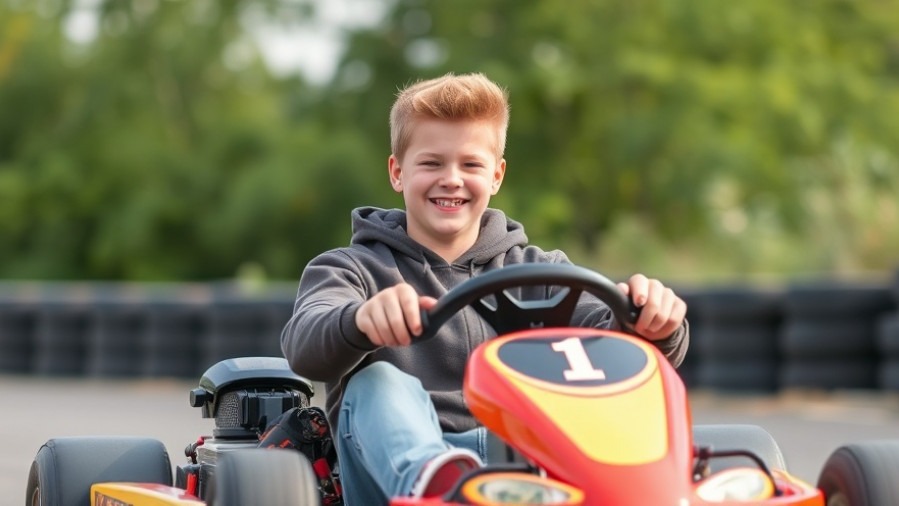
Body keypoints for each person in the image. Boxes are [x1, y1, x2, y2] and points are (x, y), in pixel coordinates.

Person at [281, 72, 689, 505]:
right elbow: (306, 345)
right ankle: (440, 488)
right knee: (377, 380)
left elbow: (616, 349)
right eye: (432, 163)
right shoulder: (351, 270)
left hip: (525, 471)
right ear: (397, 172)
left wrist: (650, 321)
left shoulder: (542, 274)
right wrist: (360, 320)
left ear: (496, 175)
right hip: (392, 478)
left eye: (470, 165)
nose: (452, 179)